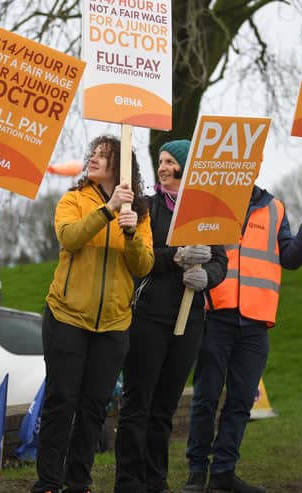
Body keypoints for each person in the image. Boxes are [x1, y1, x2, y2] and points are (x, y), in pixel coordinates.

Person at [182, 179, 302, 493]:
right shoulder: (212, 203)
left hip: (256, 321)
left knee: (241, 401)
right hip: (215, 313)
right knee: (205, 397)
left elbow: (290, 258)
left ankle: (223, 473)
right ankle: (197, 473)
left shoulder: (275, 208)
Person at [31, 135, 155, 493]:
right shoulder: (73, 200)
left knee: (94, 408)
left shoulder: (140, 211)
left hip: (114, 324)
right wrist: (107, 210)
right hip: (67, 317)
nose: (95, 160)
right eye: (94, 154)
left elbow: (143, 265)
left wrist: (131, 232)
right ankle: (49, 483)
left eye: (105, 156)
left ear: (121, 167)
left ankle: (78, 482)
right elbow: (69, 238)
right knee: (61, 401)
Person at [114, 140, 227, 493]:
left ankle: (156, 480)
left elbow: (220, 260)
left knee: (164, 407)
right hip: (149, 317)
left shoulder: (207, 210)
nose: (162, 167)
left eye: (169, 161)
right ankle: (130, 482)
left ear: (185, 166)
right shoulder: (148, 208)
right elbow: (140, 257)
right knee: (138, 404)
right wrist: (175, 256)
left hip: (189, 319)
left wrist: (207, 275)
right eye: (160, 161)